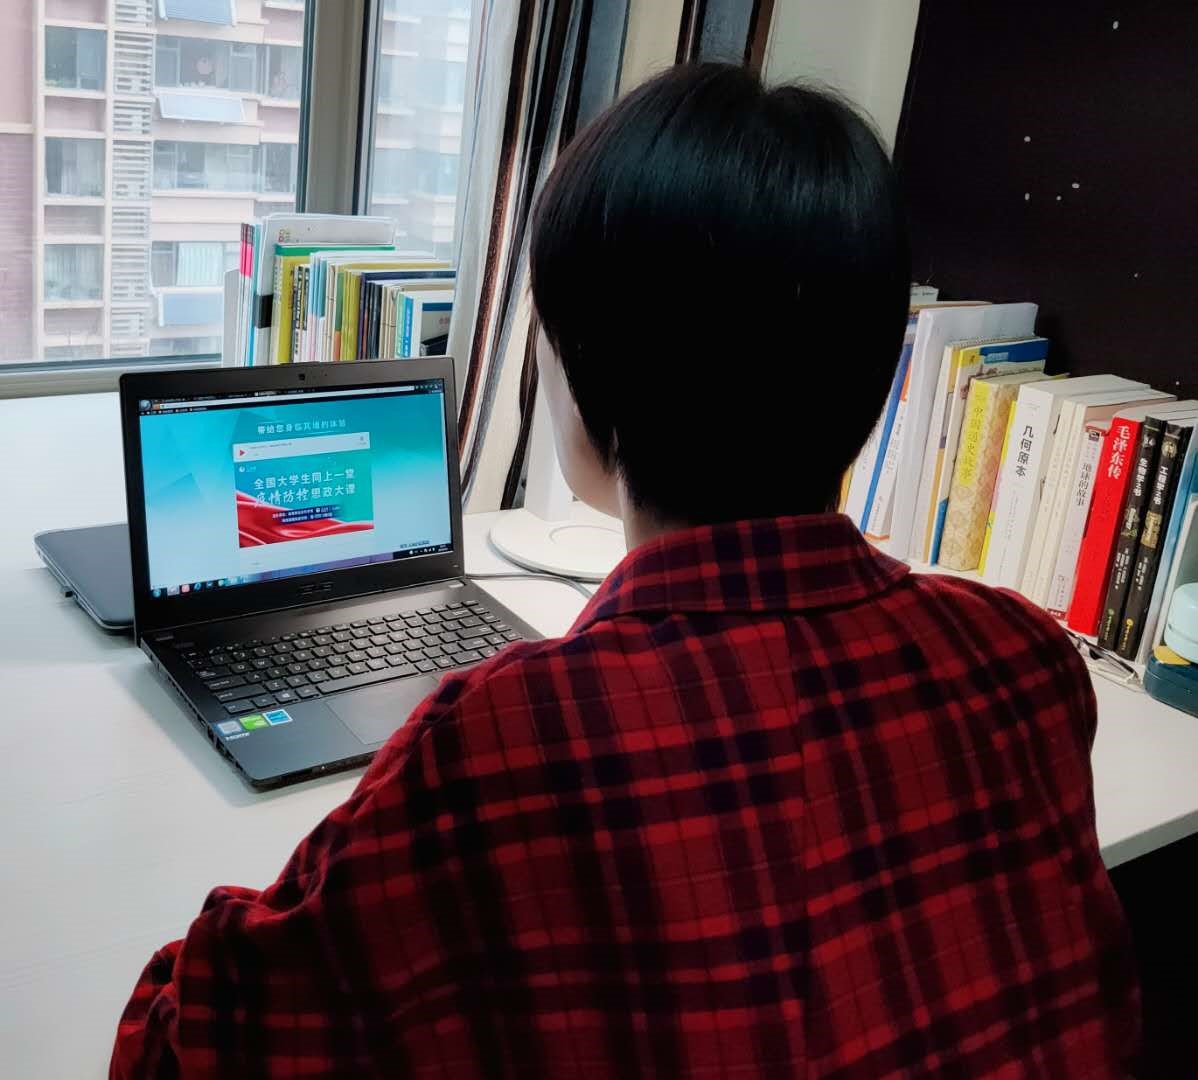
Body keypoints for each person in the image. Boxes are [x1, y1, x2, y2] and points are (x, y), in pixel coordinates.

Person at [111, 63, 1137, 1077]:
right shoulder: (1023, 659)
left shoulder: (505, 740)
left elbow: (181, 1052)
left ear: (578, 374)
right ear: (874, 376)